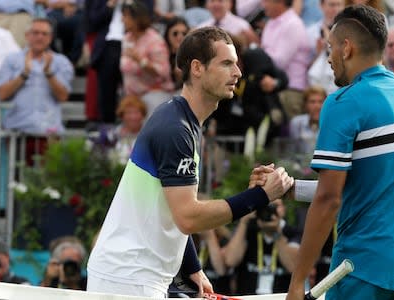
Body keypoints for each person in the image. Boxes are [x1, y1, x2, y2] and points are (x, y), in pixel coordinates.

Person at [86, 26, 294, 298]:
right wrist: (260, 196)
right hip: (130, 279)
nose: (238, 73)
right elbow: (187, 217)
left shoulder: (184, 122)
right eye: (227, 63)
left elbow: (173, 207)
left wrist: (193, 268)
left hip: (135, 276)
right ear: (197, 68)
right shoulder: (176, 129)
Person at [281, 5, 394, 300]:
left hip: (362, 269)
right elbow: (370, 185)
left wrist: (296, 283)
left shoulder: (343, 103)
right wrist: (292, 188)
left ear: (346, 48)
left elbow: (329, 198)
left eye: (330, 48)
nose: (328, 57)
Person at [0, 17, 73, 134]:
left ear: (50, 38)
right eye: (35, 33)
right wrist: (24, 74)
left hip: (49, 131)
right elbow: (1, 94)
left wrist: (49, 73)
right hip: (16, 130)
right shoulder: (11, 60)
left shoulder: (61, 62)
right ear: (27, 35)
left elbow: (63, 97)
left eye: (44, 34)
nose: (40, 37)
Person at [223, 199, 301, 295]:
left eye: (275, 206)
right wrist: (243, 222)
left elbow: (294, 267)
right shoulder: (248, 230)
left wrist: (277, 233)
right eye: (266, 206)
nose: (269, 209)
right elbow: (230, 260)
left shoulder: (292, 233)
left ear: (283, 209)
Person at [120, 0, 174, 115]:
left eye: (126, 16)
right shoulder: (126, 38)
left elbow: (163, 72)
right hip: (132, 99)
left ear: (137, 18)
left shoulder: (154, 39)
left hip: (154, 96)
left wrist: (141, 61)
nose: (122, 20)